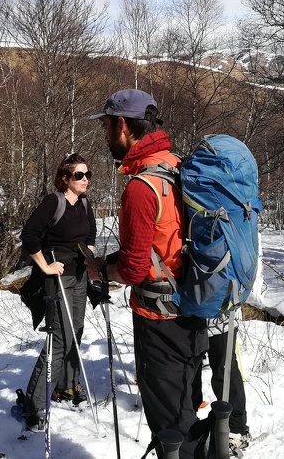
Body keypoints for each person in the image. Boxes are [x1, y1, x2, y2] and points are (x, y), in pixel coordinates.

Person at [85, 89, 208, 459]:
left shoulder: (142, 187)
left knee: (171, 424)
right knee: (186, 408)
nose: (105, 135)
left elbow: (136, 269)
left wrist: (102, 269)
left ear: (123, 125)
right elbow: (164, 242)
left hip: (159, 318)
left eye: (106, 126)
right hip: (192, 305)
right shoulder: (176, 164)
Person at [20, 153, 97, 431]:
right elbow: (29, 234)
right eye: (79, 175)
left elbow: (91, 235)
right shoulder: (54, 201)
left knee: (75, 330)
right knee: (59, 339)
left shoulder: (85, 203)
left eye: (87, 174)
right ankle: (34, 403)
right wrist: (45, 266)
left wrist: (89, 253)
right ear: (65, 178)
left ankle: (66, 386)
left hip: (80, 276)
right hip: (59, 278)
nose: (85, 179)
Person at [192, 315, 251, 451]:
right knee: (189, 369)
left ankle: (235, 429)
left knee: (224, 369)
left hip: (221, 314)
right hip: (187, 314)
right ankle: (188, 421)